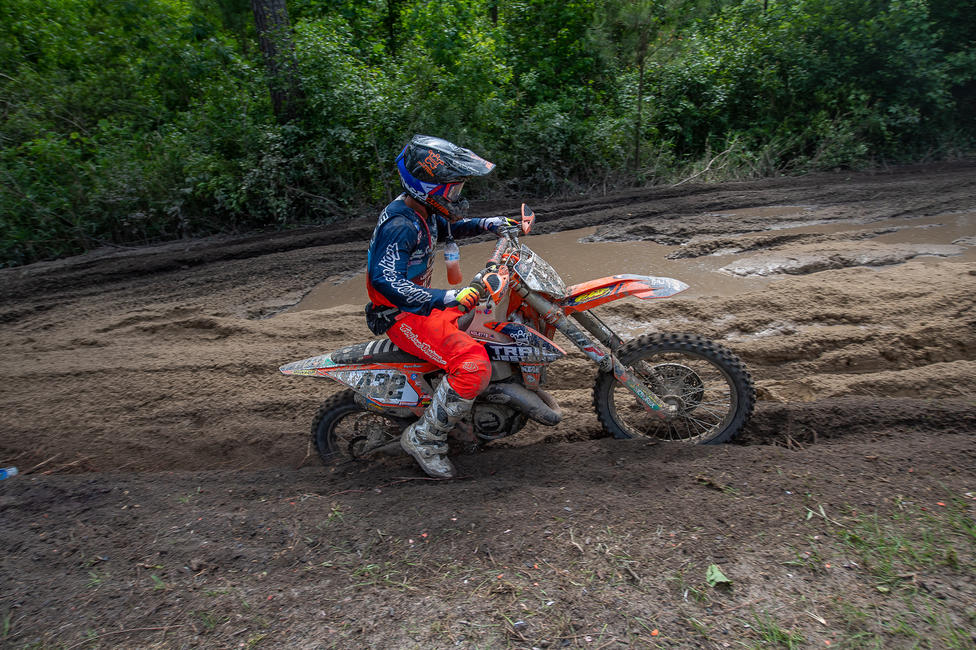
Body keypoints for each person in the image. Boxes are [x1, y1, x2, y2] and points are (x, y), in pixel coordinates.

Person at [365, 135, 516, 478]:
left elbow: (450, 226)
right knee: (474, 364)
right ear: (426, 187)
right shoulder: (401, 224)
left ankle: (459, 401)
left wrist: (491, 224)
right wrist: (447, 297)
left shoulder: (423, 210)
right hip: (401, 315)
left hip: (420, 306)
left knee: (486, 312)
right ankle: (425, 438)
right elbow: (385, 280)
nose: (456, 197)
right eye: (452, 190)